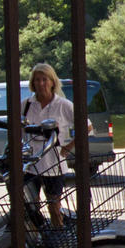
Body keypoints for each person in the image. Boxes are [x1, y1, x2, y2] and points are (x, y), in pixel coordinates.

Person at [18, 64, 82, 226]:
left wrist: (68, 147)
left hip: (54, 164)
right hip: (30, 165)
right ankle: (36, 239)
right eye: (37, 80)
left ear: (52, 82)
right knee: (29, 206)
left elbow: (86, 126)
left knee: (54, 206)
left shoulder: (63, 104)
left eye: (44, 79)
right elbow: (17, 132)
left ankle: (58, 238)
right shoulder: (25, 104)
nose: (41, 84)